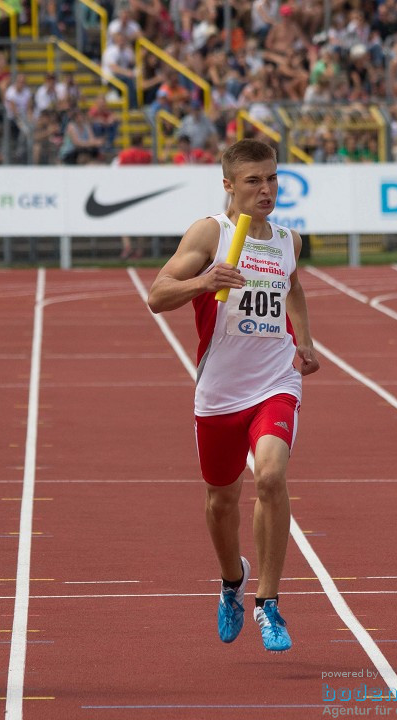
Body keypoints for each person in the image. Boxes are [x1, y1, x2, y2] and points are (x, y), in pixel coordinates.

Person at [146, 138, 319, 653]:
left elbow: (292, 286)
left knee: (269, 476)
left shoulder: (288, 239)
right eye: (253, 181)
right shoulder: (211, 233)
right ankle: (231, 583)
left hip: (274, 382)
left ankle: (270, 602)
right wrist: (203, 280)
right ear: (228, 185)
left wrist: (304, 340)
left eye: (271, 178)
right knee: (222, 501)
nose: (265, 189)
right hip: (220, 390)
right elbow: (157, 295)